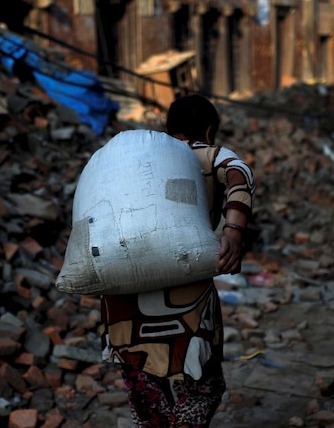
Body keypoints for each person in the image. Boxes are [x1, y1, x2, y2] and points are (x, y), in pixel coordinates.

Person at [99, 94, 255, 428]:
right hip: (187, 306)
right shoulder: (209, 155)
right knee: (200, 389)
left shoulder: (133, 160)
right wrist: (233, 231)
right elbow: (240, 179)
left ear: (168, 128)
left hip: (123, 308)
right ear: (210, 131)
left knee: (147, 395)